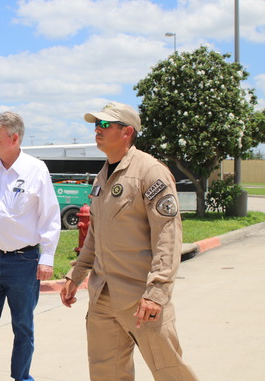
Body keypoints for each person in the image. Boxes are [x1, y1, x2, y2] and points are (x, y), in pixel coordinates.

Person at [60, 102, 198, 380]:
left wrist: (157, 292)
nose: (97, 129)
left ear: (127, 132)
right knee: (105, 372)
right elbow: (95, 235)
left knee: (170, 371)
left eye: (105, 124)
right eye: (96, 124)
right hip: (103, 295)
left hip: (140, 297)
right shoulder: (102, 176)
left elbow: (167, 236)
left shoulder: (150, 172)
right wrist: (76, 274)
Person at [0, 111, 61, 381]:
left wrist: (48, 257)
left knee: (23, 328)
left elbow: (50, 215)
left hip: (24, 263)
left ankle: (21, 377)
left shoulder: (35, 169)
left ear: (14, 138)